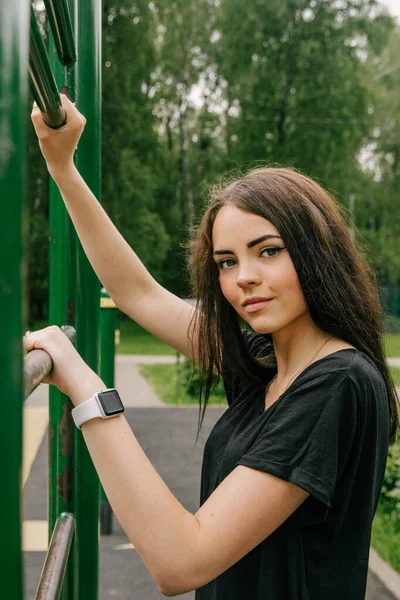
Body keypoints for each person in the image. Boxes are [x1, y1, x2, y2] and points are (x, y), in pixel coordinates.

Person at [27, 94, 398, 599]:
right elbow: (137, 293)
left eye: (268, 251)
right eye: (226, 261)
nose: (245, 277)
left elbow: (181, 562)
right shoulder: (265, 362)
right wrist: (62, 167)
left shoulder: (337, 382)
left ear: (317, 252)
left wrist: (84, 386)